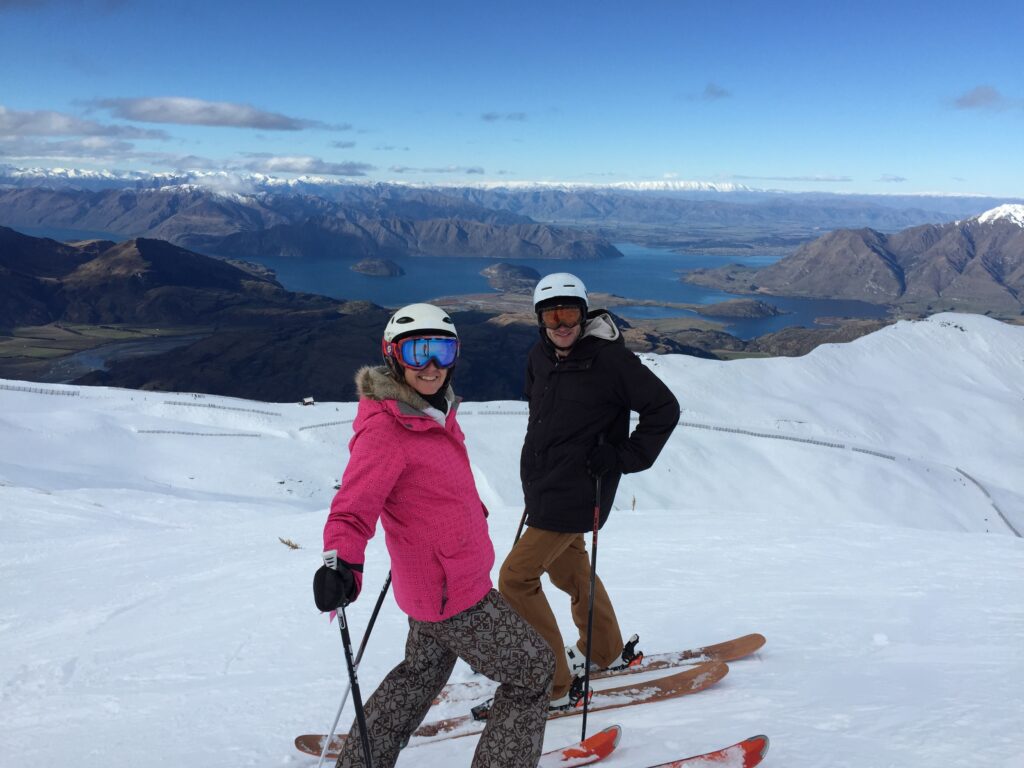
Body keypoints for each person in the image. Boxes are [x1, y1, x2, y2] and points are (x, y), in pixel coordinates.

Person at [314, 303, 554, 768]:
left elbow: (437, 488)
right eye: (417, 351)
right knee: (533, 670)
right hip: (453, 592)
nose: (431, 366)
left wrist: (470, 515)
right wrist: (341, 563)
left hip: (434, 581)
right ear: (392, 356)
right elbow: (351, 509)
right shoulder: (387, 429)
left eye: (442, 351)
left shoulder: (430, 411)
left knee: (419, 674)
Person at [498, 273, 680, 710]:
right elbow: (540, 416)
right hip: (544, 488)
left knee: (515, 579)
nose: (561, 323)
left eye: (570, 313)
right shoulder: (539, 357)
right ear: (540, 319)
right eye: (551, 314)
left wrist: (622, 456)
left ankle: (554, 684)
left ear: (585, 314)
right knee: (569, 571)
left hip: (581, 491)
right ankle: (606, 651)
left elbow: (664, 408)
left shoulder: (611, 361)